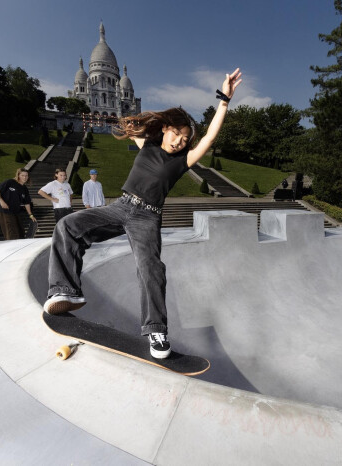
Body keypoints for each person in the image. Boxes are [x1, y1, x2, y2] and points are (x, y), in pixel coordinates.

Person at [44, 68, 242, 359]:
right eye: (176, 134)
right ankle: (66, 292)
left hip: (147, 217)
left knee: (150, 268)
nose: (179, 142)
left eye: (185, 140)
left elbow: (209, 139)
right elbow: (129, 122)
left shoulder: (182, 160)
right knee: (67, 227)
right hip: (120, 207)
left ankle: (156, 330)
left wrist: (224, 99)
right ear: (165, 129)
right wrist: (141, 121)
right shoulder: (146, 143)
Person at [0, 168, 36, 240]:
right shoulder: (10, 182)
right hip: (5, 210)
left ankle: (20, 244)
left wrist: (30, 215)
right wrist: (1, 201)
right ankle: (12, 246)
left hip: (15, 211)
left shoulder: (24, 188)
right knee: (11, 231)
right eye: (22, 175)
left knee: (20, 231)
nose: (25, 177)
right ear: (18, 175)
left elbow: (27, 203)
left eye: (26, 175)